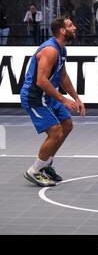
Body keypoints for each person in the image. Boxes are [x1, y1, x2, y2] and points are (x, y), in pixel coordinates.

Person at [20, 16, 85, 187]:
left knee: (67, 124)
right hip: (34, 97)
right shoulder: (51, 50)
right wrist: (63, 100)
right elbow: (41, 81)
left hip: (48, 96)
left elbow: (62, 76)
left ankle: (46, 165)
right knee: (56, 132)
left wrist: (76, 98)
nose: (75, 28)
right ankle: (34, 171)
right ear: (62, 31)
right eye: (71, 25)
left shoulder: (62, 49)